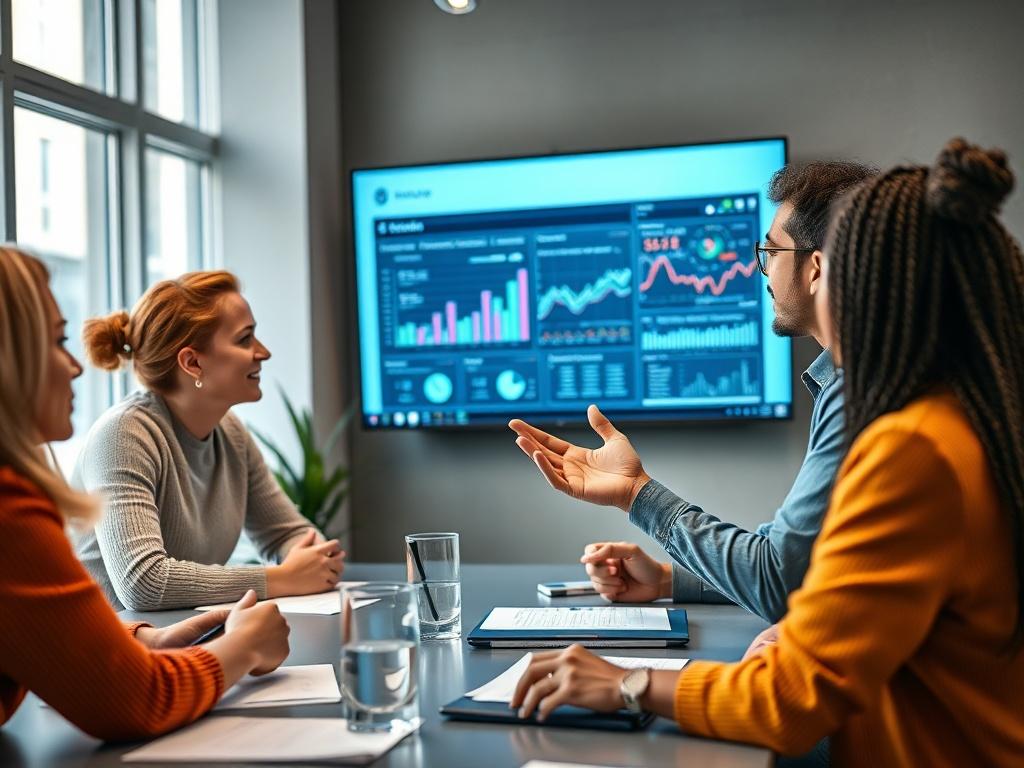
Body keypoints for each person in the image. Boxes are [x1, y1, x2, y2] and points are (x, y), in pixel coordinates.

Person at [511, 138, 1024, 766]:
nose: (761, 269)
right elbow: (839, 583)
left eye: (768, 253)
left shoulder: (910, 446)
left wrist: (623, 682)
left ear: (825, 269)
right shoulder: (963, 414)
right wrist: (679, 581)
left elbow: (789, 693)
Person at [510, 162, 876, 622]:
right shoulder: (865, 379)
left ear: (815, 268)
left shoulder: (859, 396)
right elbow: (808, 570)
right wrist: (669, 580)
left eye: (771, 251)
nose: (761, 270)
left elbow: (779, 580)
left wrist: (636, 494)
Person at [0, 247, 291, 740]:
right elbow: (136, 701)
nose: (75, 367)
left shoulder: (232, 432)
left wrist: (142, 640)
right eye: (56, 341)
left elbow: (39, 632)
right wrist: (242, 648)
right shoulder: (11, 511)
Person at [74, 270, 345, 610]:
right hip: (107, 653)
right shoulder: (123, 435)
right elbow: (143, 583)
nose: (263, 353)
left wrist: (313, 561)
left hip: (183, 643)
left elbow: (286, 533)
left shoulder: (230, 433)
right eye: (245, 339)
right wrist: (282, 578)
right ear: (192, 362)